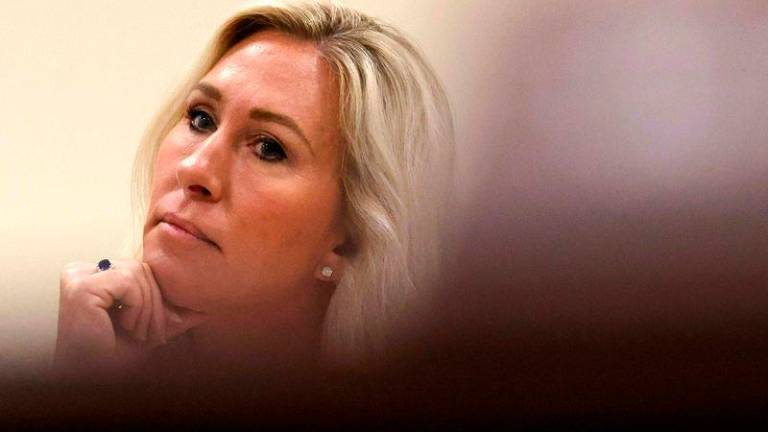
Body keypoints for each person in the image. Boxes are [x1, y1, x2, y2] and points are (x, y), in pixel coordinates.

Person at [52, 0, 453, 381]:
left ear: (351, 237)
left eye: (268, 148)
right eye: (201, 118)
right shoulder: (99, 353)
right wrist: (83, 385)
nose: (195, 169)